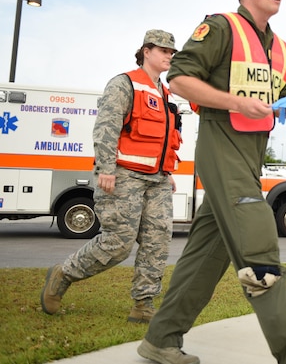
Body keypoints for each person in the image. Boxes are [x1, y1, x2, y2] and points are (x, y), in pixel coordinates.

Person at [137, 0, 286, 364]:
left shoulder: (281, 48)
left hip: (253, 153)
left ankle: (161, 339)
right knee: (259, 250)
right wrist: (236, 103)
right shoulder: (220, 27)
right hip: (221, 144)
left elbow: (283, 94)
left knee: (205, 255)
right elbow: (178, 78)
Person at [41, 29, 181, 324]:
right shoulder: (125, 83)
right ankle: (63, 273)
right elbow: (106, 127)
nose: (169, 55)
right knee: (118, 242)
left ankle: (143, 304)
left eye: (172, 51)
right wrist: (106, 168)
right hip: (123, 175)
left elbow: (166, 137)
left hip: (156, 179)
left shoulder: (165, 93)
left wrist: (166, 171)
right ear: (146, 51)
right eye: (164, 50)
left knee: (157, 242)